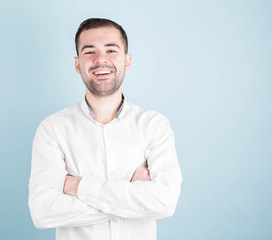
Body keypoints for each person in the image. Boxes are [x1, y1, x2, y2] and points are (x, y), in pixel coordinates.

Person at [28, 18, 183, 240]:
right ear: (77, 64)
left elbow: (165, 202)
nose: (101, 59)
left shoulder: (154, 125)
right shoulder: (53, 129)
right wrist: (130, 194)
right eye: (89, 52)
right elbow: (43, 212)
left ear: (127, 61)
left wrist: (79, 186)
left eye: (111, 50)